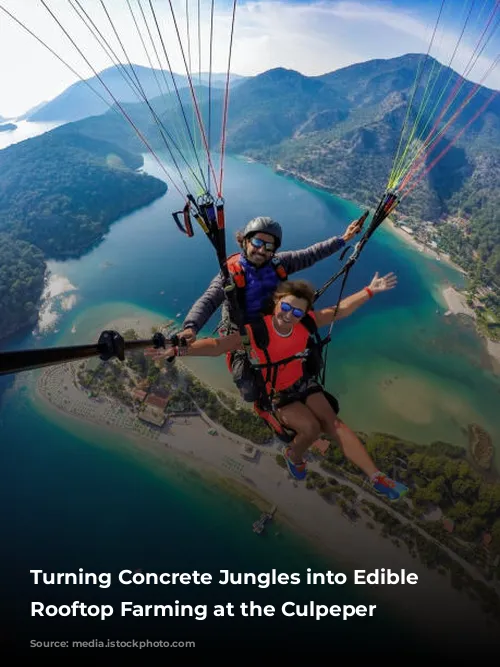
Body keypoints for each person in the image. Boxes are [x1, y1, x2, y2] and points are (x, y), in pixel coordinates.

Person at [160, 273, 408, 501]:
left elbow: (340, 310)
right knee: (310, 429)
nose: (289, 315)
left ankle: (376, 477)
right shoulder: (257, 331)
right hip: (276, 392)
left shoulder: (306, 323)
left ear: (304, 314)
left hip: (302, 381)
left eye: (297, 312)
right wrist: (180, 349)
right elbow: (217, 346)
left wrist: (370, 290)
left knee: (333, 423)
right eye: (285, 307)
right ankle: (294, 456)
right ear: (276, 302)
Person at [178, 214, 365, 401]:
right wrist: (191, 327)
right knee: (250, 390)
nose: (262, 250)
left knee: (312, 363)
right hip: (243, 335)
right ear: (245, 241)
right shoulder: (230, 273)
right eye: (257, 242)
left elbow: (311, 254)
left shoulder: (279, 263)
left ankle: (295, 386)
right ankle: (269, 401)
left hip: (275, 326)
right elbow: (209, 300)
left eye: (269, 246)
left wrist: (343, 239)